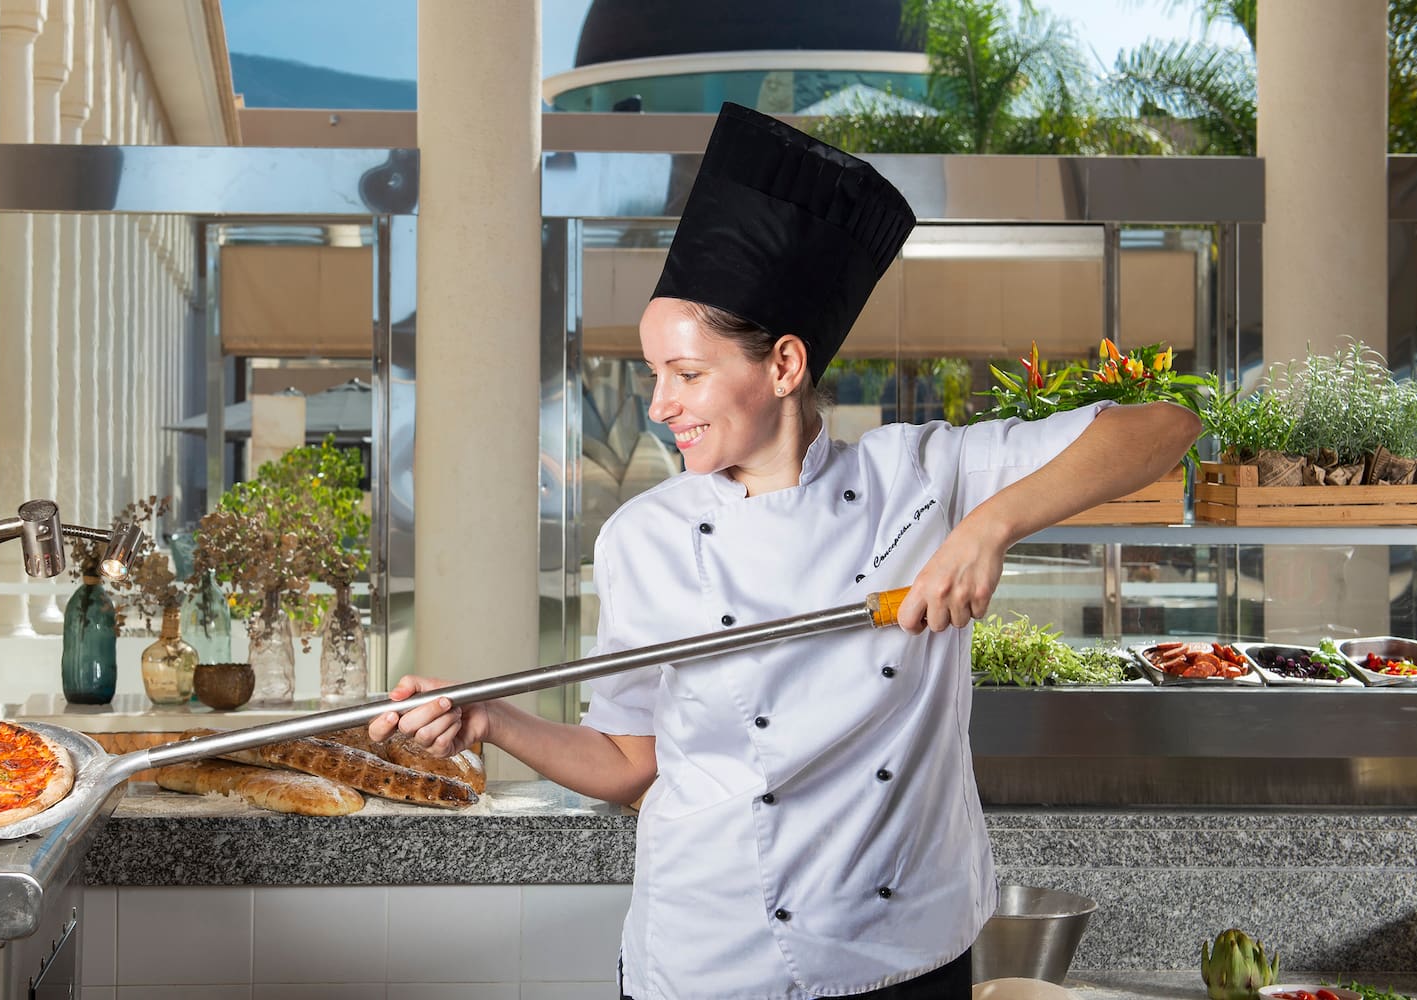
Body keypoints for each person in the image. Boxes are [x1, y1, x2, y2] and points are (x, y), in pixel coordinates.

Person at [369, 103, 1200, 999]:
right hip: (709, 952)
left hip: (905, 945)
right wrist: (492, 722)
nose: (659, 404)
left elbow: (1164, 427)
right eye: (654, 374)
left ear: (785, 366)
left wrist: (987, 526)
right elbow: (629, 763)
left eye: (685, 374)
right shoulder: (640, 539)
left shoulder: (922, 473)